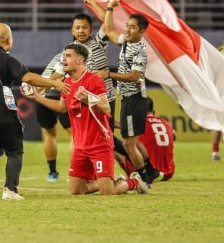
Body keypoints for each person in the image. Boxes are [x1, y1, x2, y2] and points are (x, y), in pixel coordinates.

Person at [0, 23, 68, 200]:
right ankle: (10, 190)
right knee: (15, 150)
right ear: (9, 40)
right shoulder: (8, 60)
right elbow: (29, 77)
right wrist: (54, 83)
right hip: (3, 115)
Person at [25, 43, 148, 195]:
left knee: (107, 193)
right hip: (80, 146)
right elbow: (61, 107)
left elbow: (106, 108)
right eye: (64, 56)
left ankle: (134, 182)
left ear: (80, 60)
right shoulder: (67, 83)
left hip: (99, 144)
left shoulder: (93, 80)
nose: (63, 59)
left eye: (68, 56)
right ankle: (112, 181)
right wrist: (37, 97)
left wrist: (88, 99)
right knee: (76, 191)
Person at [88, 0, 160, 185]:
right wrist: (107, 7)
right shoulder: (127, 42)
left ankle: (143, 177)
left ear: (142, 32)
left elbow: (135, 76)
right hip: (130, 98)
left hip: (134, 98)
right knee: (132, 141)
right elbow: (110, 29)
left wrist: (108, 74)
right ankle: (150, 171)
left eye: (132, 27)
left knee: (128, 144)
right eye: (127, 26)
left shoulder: (140, 51)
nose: (127, 29)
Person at [116, 97, 176, 181]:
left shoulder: (138, 122)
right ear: (153, 112)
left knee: (114, 144)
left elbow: (117, 125)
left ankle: (134, 174)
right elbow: (174, 135)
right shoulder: (166, 123)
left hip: (146, 171)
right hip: (168, 173)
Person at [35, 51, 72, 183]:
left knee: (49, 134)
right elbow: (60, 73)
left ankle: (52, 173)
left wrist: (41, 90)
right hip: (59, 91)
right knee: (76, 136)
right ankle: (75, 173)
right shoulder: (76, 54)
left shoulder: (58, 54)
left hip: (43, 94)